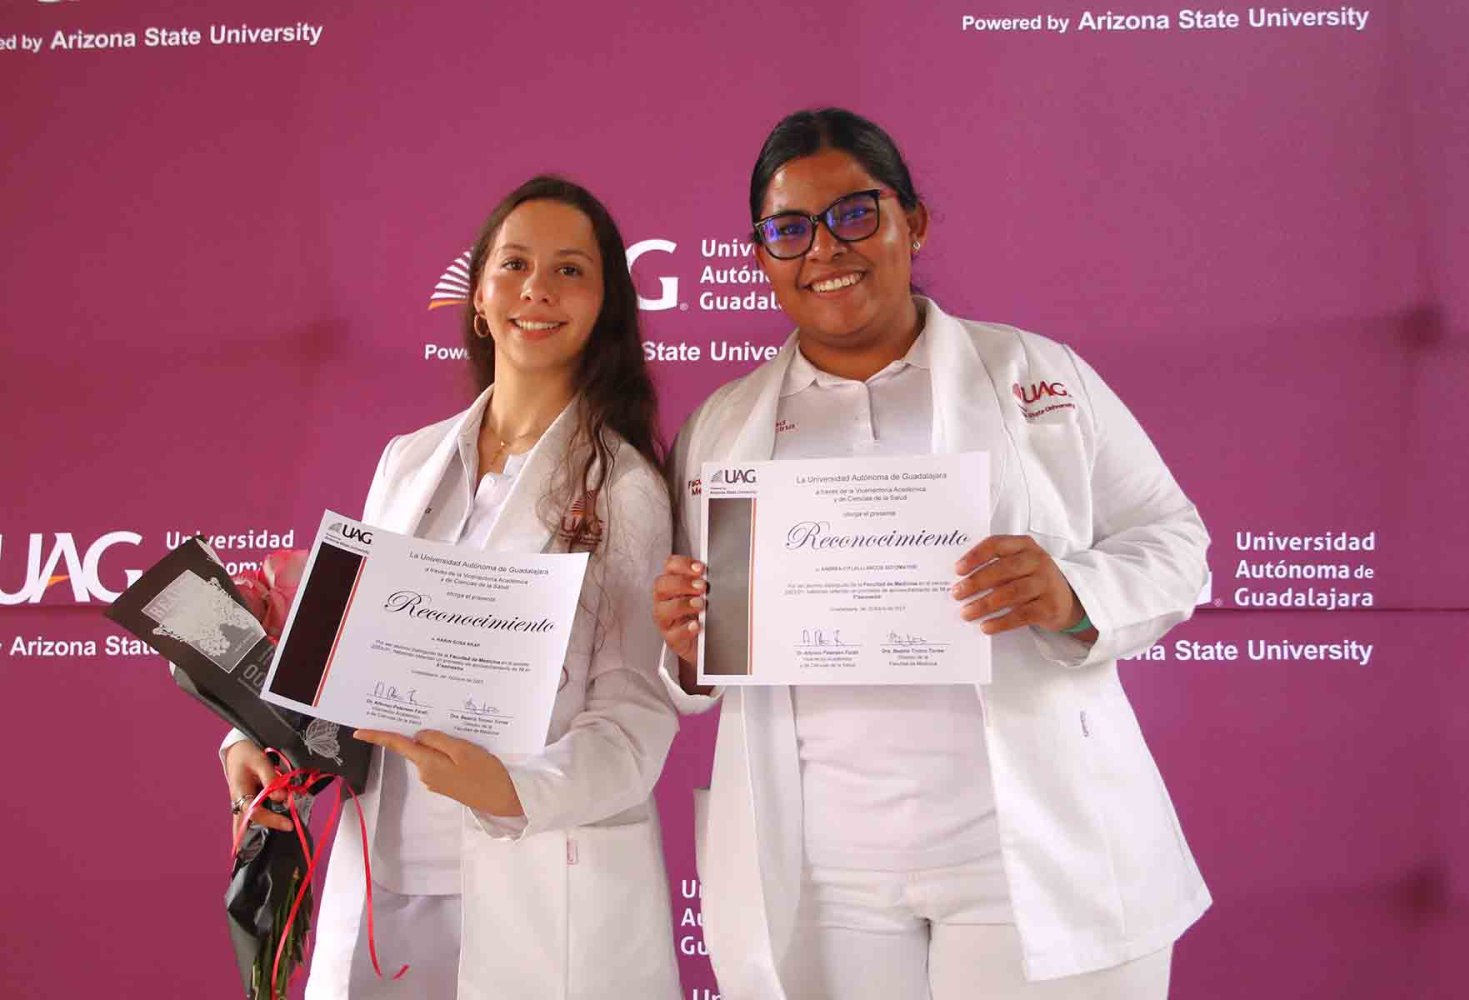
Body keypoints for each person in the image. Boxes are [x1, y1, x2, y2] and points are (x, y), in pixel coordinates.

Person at [652, 109, 1211, 1000]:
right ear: (761, 256)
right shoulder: (723, 427)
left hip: (1024, 856)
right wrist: (689, 644)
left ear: (912, 222)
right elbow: (696, 649)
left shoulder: (1036, 375)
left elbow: (1174, 541)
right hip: (825, 875)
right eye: (789, 229)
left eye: (854, 213)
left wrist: (1071, 592)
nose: (824, 249)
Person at [222, 176, 682, 999]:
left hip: (534, 875)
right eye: (515, 264)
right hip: (385, 874)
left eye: (570, 270)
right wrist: (254, 743)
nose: (537, 289)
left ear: (604, 305)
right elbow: (346, 657)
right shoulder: (407, 461)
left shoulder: (626, 490)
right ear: (478, 295)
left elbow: (635, 718)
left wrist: (513, 790)